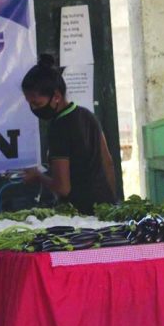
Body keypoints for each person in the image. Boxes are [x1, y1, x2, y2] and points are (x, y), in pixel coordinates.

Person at [19, 54, 117, 214]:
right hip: (105, 208)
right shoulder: (87, 115)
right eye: (30, 104)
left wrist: (37, 176)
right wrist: (112, 203)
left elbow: (63, 188)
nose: (34, 108)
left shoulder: (59, 127)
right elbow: (108, 163)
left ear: (56, 96)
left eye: (37, 103)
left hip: (79, 214)